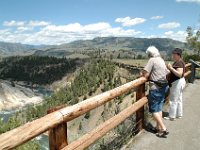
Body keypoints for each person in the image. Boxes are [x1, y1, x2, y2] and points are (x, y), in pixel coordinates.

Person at [142, 46, 169, 138]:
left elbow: (145, 74)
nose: (148, 56)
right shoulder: (161, 60)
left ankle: (163, 128)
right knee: (159, 108)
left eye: (148, 55)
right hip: (164, 87)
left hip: (156, 88)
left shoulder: (152, 60)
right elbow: (167, 72)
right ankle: (158, 128)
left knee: (153, 109)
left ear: (150, 54)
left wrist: (143, 74)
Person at [165, 48, 186, 121]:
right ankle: (179, 114)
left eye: (174, 54)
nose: (173, 55)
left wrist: (170, 68)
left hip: (177, 82)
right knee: (179, 99)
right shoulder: (179, 62)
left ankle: (172, 116)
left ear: (178, 55)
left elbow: (179, 74)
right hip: (179, 82)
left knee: (173, 100)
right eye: (173, 54)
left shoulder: (179, 62)